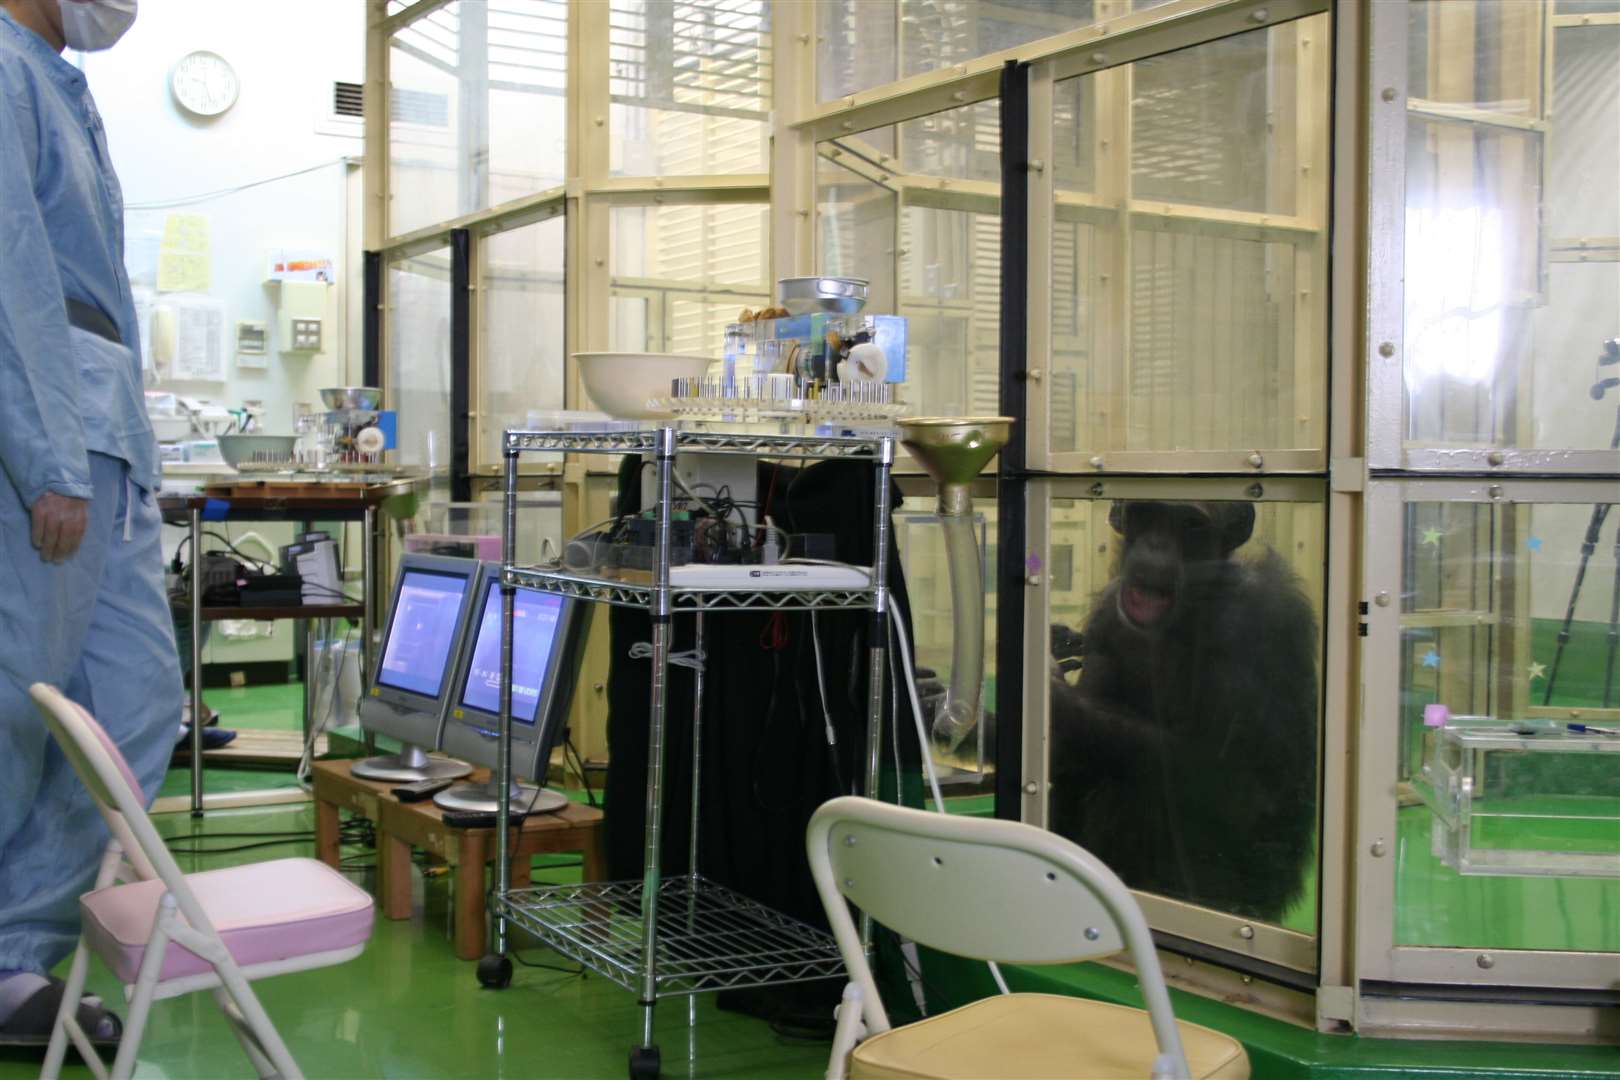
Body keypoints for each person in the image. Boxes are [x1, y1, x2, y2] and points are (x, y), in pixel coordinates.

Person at [0, 0, 182, 1050]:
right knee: (21, 712)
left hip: (102, 438)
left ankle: (13, 943)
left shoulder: (57, 80)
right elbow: (14, 277)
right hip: (52, 443)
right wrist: (49, 456)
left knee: (133, 704)